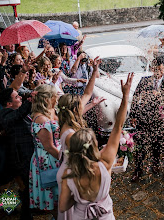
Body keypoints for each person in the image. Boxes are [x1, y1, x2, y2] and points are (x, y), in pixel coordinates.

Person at [59, 73, 133, 219]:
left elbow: (63, 207)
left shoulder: (69, 176)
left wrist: (81, 199)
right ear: (94, 145)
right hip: (104, 215)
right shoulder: (105, 163)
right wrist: (125, 96)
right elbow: (118, 126)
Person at [56, 56, 103, 220]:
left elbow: (88, 93)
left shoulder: (71, 120)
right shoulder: (69, 134)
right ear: (73, 110)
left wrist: (95, 71)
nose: (81, 106)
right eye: (79, 106)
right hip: (71, 172)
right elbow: (85, 155)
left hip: (76, 167)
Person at [130, 57, 164, 182]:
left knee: (157, 144)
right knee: (140, 146)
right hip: (143, 118)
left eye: (162, 69)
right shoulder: (144, 80)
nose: (160, 71)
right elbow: (136, 97)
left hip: (159, 120)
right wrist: (133, 115)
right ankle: (137, 170)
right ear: (153, 69)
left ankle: (155, 163)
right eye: (158, 69)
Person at [0, 88, 35, 219]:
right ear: (8, 103)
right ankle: (10, 210)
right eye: (16, 97)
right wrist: (30, 101)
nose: (20, 97)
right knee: (7, 184)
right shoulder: (5, 114)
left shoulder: (15, 111)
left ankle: (18, 210)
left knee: (21, 184)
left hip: (17, 153)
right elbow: (19, 114)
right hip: (10, 155)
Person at [29, 84, 61, 217]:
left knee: (60, 197)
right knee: (54, 198)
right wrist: (67, 159)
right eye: (55, 96)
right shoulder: (41, 119)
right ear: (49, 98)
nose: (57, 98)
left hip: (56, 155)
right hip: (49, 160)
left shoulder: (51, 111)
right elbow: (48, 146)